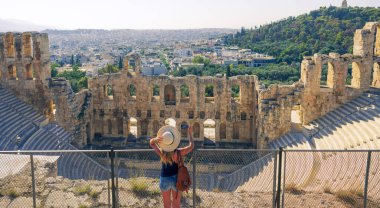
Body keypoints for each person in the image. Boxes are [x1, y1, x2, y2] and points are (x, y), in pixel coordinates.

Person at [150, 125, 194, 208]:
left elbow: (151, 143)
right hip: (176, 179)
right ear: (174, 141)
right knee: (176, 205)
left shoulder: (162, 153)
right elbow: (191, 147)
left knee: (166, 205)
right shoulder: (178, 152)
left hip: (164, 179)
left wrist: (155, 139)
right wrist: (190, 133)